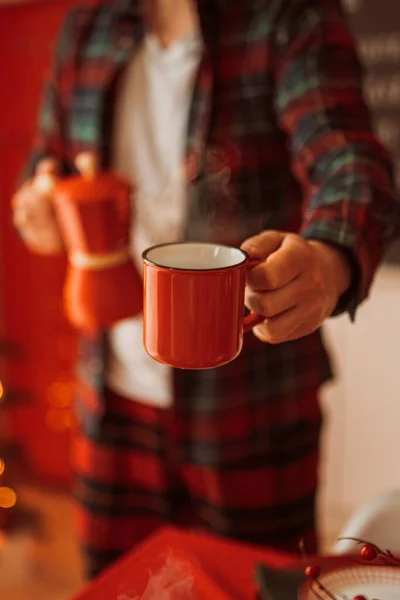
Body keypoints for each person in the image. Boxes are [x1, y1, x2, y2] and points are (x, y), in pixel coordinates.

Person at [12, 0, 398, 579]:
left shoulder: (290, 15)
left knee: (257, 588)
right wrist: (38, 198)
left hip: (254, 408)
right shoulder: (87, 27)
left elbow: (350, 164)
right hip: (111, 399)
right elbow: (51, 158)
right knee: (119, 586)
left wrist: (328, 259)